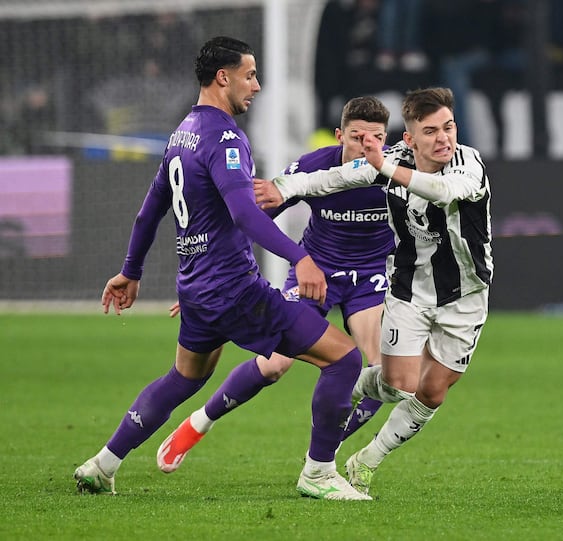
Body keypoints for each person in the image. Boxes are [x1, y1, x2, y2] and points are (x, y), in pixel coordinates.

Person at [72, 36, 370, 501]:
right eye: (250, 75)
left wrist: (131, 271)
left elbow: (150, 210)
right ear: (223, 77)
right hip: (235, 289)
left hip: (197, 287)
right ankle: (319, 473)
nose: (256, 85)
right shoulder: (225, 137)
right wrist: (301, 257)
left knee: (185, 378)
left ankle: (102, 464)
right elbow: (244, 213)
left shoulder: (182, 133)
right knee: (345, 358)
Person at [254, 87, 493, 495]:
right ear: (410, 139)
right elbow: (338, 176)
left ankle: (367, 458)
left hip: (465, 296)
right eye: (431, 131)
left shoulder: (467, 163)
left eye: (449, 127)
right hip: (408, 291)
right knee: (401, 384)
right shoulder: (392, 161)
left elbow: (442, 192)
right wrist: (284, 188)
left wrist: (383, 166)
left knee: (432, 392)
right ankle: (346, 381)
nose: (444, 139)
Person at [157, 96, 394, 470]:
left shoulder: (396, 173)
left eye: (376, 138)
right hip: (317, 272)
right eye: (356, 137)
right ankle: (198, 423)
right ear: (338, 136)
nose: (366, 146)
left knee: (385, 372)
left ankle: (323, 452)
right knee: (274, 366)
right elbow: (254, 217)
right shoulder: (314, 166)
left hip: (370, 277)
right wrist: (207, 279)